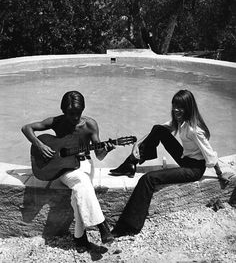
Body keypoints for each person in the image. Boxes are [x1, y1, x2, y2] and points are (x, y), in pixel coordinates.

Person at [110, 89, 231, 236]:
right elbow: (158, 129)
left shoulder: (195, 129)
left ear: (188, 107)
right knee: (158, 129)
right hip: (185, 159)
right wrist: (137, 144)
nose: (175, 109)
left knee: (149, 178)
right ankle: (130, 164)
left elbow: (210, 154)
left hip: (194, 169)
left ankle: (129, 226)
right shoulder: (179, 121)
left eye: (180, 106)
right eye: (174, 105)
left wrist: (219, 174)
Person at [22, 90, 115, 252]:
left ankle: (79, 238)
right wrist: (40, 145)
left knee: (78, 192)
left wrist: (106, 149)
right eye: (71, 114)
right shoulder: (57, 122)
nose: (75, 117)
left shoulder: (90, 125)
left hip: (85, 163)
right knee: (82, 182)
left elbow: (99, 155)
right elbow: (26, 128)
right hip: (64, 167)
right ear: (63, 111)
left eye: (78, 113)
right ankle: (102, 225)